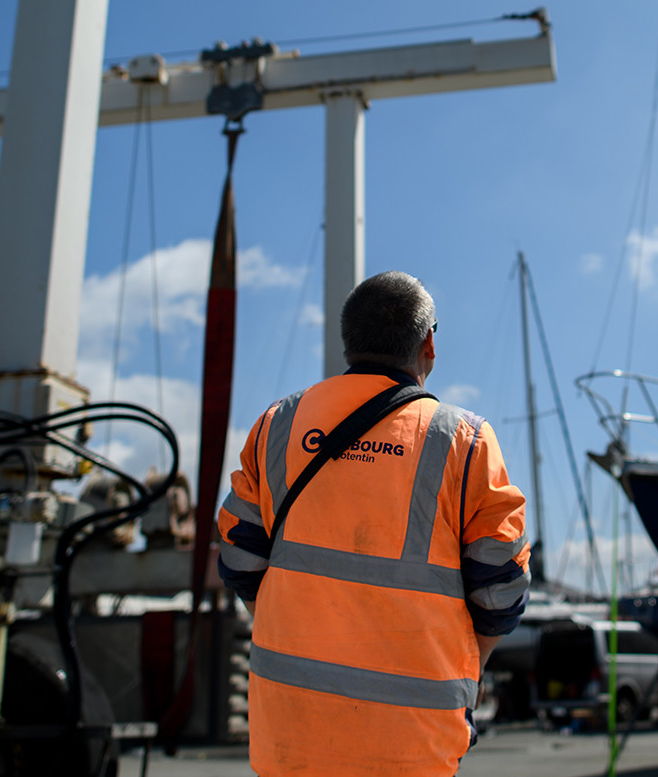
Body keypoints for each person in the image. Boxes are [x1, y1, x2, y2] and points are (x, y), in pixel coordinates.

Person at [217, 271, 531, 777]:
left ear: (348, 342)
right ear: (429, 342)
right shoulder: (465, 441)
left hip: (290, 733)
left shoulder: (279, 425)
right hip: (415, 741)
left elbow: (238, 559)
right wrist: (469, 675)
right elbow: (500, 587)